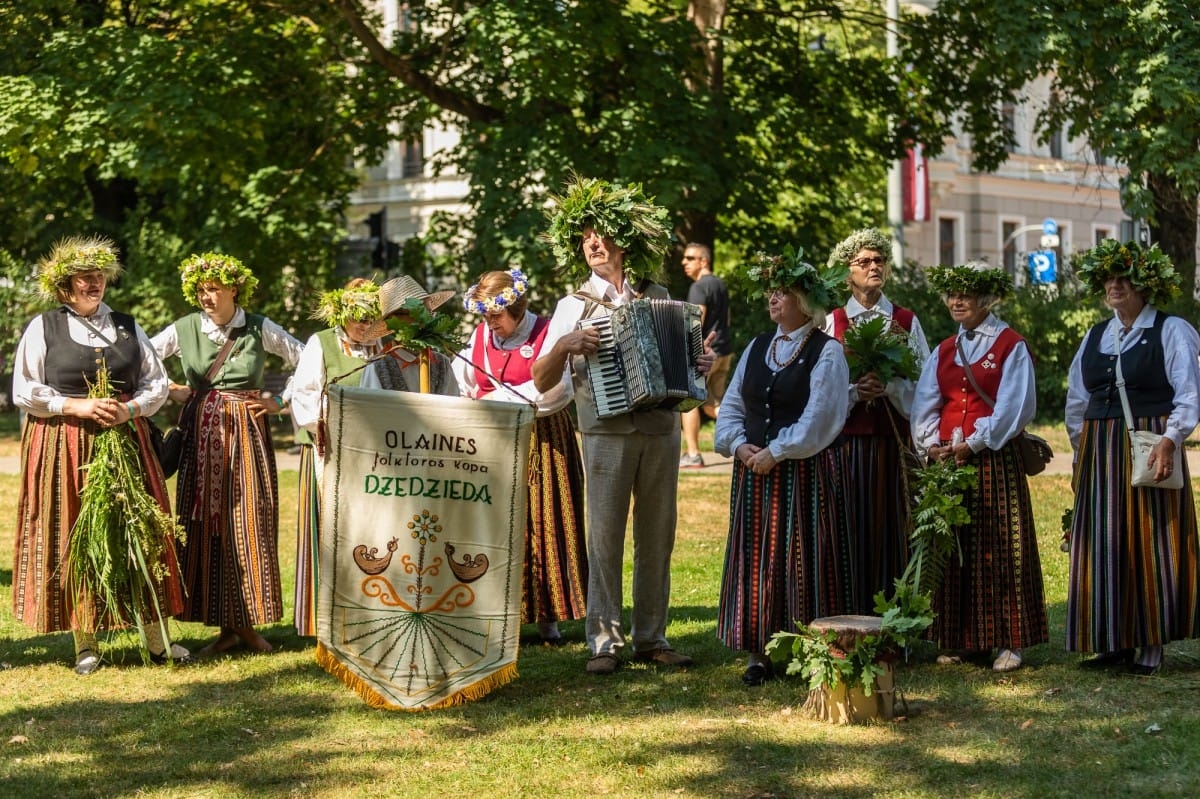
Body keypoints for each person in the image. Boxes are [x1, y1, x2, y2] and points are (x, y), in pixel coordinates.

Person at [532, 174, 714, 674]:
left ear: (623, 241)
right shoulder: (572, 305)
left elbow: (690, 366)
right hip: (604, 432)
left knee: (658, 535)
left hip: (659, 430)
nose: (593, 242)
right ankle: (604, 642)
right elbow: (540, 377)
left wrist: (700, 363)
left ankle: (651, 636)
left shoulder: (659, 295)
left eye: (601, 233)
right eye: (586, 236)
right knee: (605, 537)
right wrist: (565, 345)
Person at [13, 236, 189, 674]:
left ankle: (157, 639)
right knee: (77, 533)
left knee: (141, 533)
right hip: (64, 443)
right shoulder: (44, 327)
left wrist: (129, 409)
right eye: (84, 278)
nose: (94, 284)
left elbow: (157, 381)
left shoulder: (128, 325)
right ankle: (86, 643)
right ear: (64, 287)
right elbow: (24, 387)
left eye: (99, 277)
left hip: (126, 439)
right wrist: (74, 405)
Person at [152, 252, 303, 657]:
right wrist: (169, 388)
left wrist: (280, 400)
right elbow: (141, 361)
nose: (206, 296)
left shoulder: (258, 327)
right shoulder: (184, 328)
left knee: (247, 519)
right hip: (201, 432)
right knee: (204, 524)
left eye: (213, 288)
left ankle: (246, 624)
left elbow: (308, 360)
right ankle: (228, 628)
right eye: (200, 289)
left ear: (234, 289)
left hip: (246, 433)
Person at [713, 247, 850, 686]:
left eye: (783, 292)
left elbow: (820, 416)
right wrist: (738, 446)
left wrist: (779, 451)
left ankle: (813, 648)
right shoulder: (757, 346)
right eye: (770, 292)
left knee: (804, 556)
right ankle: (758, 651)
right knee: (756, 559)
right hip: (754, 472)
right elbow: (732, 405)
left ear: (805, 301)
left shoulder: (827, 352)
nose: (772, 299)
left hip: (802, 472)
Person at [1065, 240, 1200, 676]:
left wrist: (1172, 439)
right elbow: (1076, 398)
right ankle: (1112, 639)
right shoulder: (1094, 335)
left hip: (1149, 443)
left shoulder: (1171, 329)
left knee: (1151, 539)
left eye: (1125, 279)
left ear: (1146, 285)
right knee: (1103, 543)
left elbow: (1189, 394)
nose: (1115, 286)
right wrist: (1079, 448)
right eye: (1110, 279)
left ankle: (1151, 642)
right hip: (1100, 450)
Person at [911, 261, 1048, 673]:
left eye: (965, 295)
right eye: (952, 294)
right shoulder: (945, 349)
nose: (956, 301)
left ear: (985, 299)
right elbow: (926, 402)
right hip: (949, 463)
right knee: (954, 548)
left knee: (1002, 545)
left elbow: (1014, 408)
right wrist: (931, 446)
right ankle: (962, 638)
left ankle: (1010, 640)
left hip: (993, 462)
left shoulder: (1011, 345)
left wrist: (974, 443)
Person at [454, 268, 588, 644]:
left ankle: (549, 618)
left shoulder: (547, 332)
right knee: (496, 527)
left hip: (542, 440)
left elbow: (552, 394)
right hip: (492, 442)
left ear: (515, 307)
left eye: (495, 314)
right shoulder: (480, 336)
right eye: (485, 315)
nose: (489, 322)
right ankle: (500, 615)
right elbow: (462, 381)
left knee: (546, 522)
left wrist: (493, 399)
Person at [823, 229, 930, 613]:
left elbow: (925, 384)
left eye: (879, 260)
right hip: (845, 445)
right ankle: (848, 615)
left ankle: (894, 622)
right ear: (847, 270)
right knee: (847, 529)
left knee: (890, 529)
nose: (873, 267)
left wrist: (889, 388)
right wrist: (854, 392)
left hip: (891, 443)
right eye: (864, 262)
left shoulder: (904, 320)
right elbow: (819, 387)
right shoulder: (832, 323)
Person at [289, 278, 390, 637]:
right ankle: (328, 615)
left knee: (373, 530)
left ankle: (374, 607)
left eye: (369, 317)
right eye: (357, 317)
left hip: (376, 455)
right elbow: (303, 395)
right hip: (330, 451)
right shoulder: (322, 344)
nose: (364, 324)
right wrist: (329, 424)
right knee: (333, 530)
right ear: (341, 314)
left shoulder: (384, 347)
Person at [679, 243, 733, 469]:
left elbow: (694, 323)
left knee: (689, 402)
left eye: (690, 258)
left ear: (704, 261)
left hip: (705, 354)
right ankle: (747, 435)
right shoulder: (720, 284)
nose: (684, 262)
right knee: (714, 404)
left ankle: (693, 454)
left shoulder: (699, 287)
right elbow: (728, 319)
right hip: (725, 351)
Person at [360, 275, 459, 395]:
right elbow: (370, 411)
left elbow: (454, 408)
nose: (424, 320)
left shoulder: (443, 364)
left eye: (428, 312)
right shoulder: (376, 367)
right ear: (392, 320)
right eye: (414, 313)